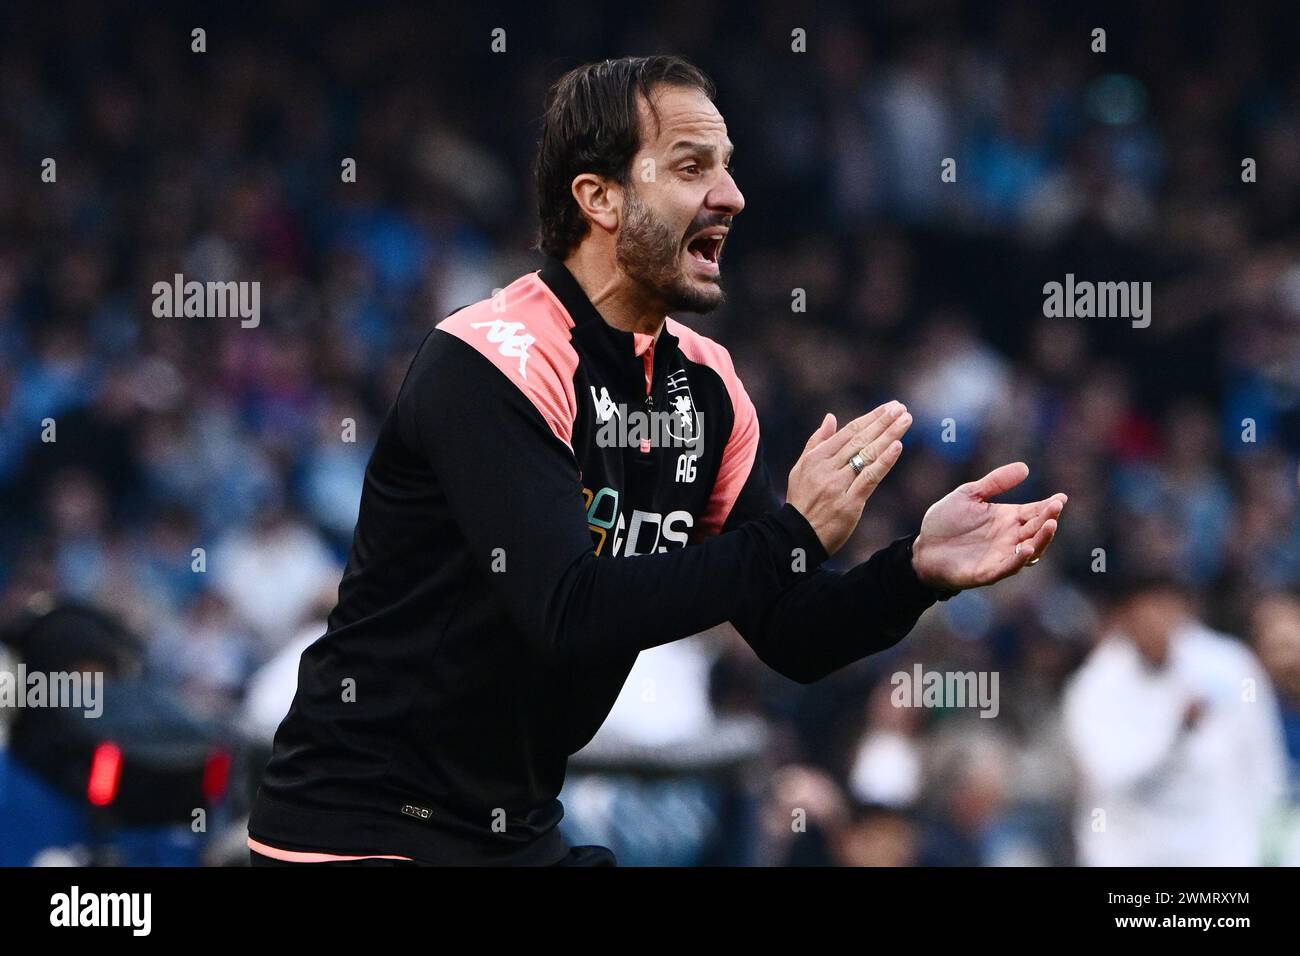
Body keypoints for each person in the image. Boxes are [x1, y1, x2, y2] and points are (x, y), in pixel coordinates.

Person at [248, 55, 1066, 866]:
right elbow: (570, 613)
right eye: (691, 166)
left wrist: (912, 572)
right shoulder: (492, 360)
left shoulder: (706, 388)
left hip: (512, 828)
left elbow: (791, 633)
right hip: (360, 823)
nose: (731, 196)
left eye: (728, 167)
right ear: (598, 197)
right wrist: (793, 534)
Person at [1063, 575, 1288, 865]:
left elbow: (1262, 761)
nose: (1156, 624)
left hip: (1220, 853)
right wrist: (1175, 731)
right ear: (1124, 620)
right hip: (1131, 855)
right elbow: (1108, 774)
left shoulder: (1229, 664)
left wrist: (1267, 843)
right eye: (1144, 615)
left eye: (1165, 611)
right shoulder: (1094, 687)